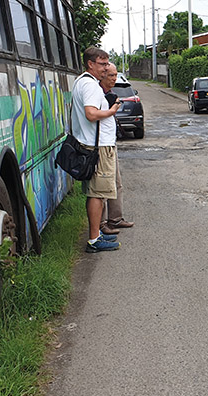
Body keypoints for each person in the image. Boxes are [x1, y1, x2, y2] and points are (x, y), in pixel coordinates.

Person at [72, 47, 121, 253]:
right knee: (97, 194)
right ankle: (94, 239)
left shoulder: (82, 82)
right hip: (99, 147)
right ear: (90, 64)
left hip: (96, 145)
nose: (105, 68)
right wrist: (112, 111)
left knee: (97, 193)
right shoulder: (90, 85)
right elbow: (91, 114)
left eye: (106, 63)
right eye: (102, 64)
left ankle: (96, 236)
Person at [97, 63, 134, 235]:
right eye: (111, 75)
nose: (114, 79)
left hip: (111, 143)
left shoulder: (110, 94)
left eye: (115, 75)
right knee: (102, 186)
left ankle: (116, 218)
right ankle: (102, 223)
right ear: (102, 75)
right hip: (101, 145)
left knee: (116, 183)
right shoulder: (96, 94)